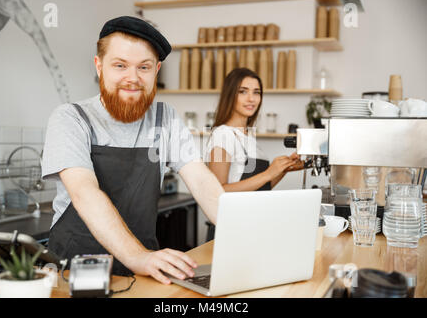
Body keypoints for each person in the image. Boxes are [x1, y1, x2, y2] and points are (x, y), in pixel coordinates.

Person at [41, 16, 224, 285]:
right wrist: (138, 256)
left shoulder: (166, 119)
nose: (133, 78)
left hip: (142, 272)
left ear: (156, 71)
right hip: (74, 271)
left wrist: (244, 234)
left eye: (144, 67)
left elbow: (200, 179)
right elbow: (85, 192)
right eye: (120, 65)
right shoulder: (71, 118)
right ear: (99, 65)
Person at [206, 68, 304, 192]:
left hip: (255, 210)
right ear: (230, 95)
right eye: (243, 92)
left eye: (256, 92)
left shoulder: (248, 136)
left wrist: (283, 169)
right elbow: (216, 191)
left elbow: (261, 188)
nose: (251, 99)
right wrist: (268, 174)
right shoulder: (222, 135)